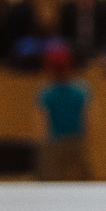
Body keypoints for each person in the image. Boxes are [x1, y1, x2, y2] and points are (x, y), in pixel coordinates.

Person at [35, 45, 93, 181]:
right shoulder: (81, 89)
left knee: (52, 180)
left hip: (58, 142)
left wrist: (41, 143)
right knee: (79, 180)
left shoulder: (46, 91)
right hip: (71, 141)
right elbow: (89, 119)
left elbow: (40, 121)